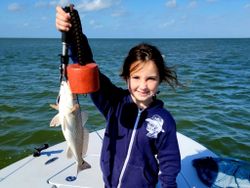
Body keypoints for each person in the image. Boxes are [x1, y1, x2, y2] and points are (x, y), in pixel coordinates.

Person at [56, 6, 181, 188]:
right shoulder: (115, 103)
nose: (143, 85)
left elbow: (169, 163)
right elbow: (88, 65)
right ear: (126, 78)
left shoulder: (164, 121)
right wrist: (73, 32)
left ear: (160, 79)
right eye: (136, 77)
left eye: (151, 78)